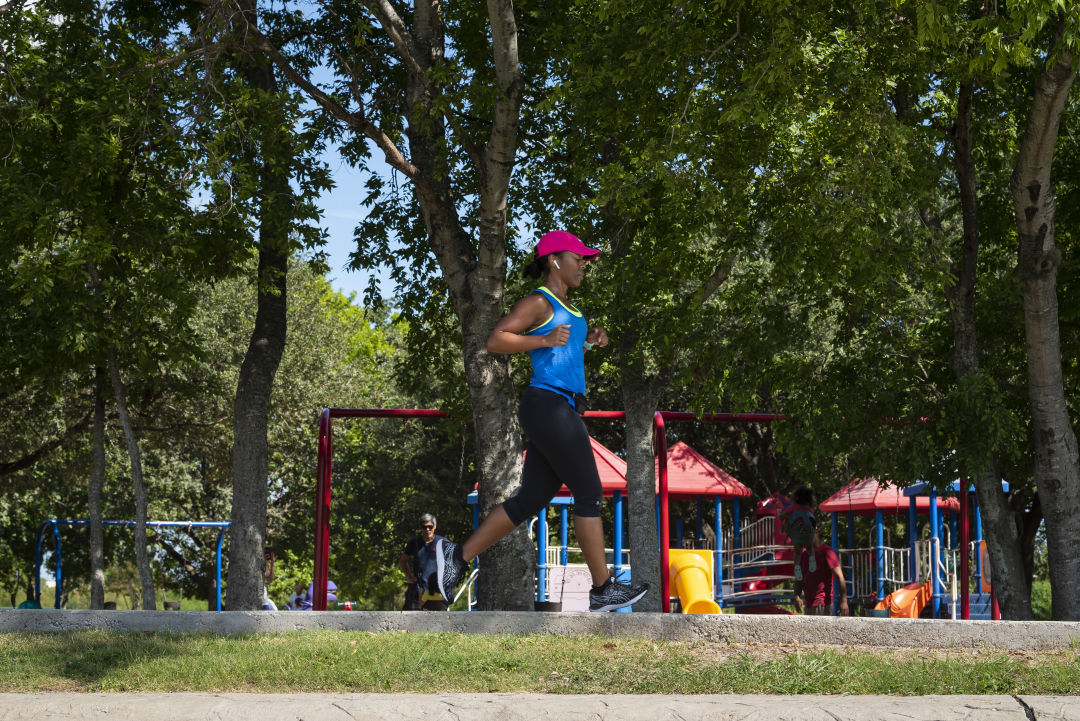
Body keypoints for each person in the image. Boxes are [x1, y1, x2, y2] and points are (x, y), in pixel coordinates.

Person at [434, 230, 649, 612]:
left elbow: (562, 351)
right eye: (577, 258)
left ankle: (457, 556)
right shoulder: (539, 301)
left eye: (586, 259)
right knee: (588, 491)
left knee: (532, 498)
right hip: (548, 405)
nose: (584, 264)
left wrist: (589, 340)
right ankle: (602, 589)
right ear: (554, 261)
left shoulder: (570, 307)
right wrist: (544, 341)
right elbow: (496, 339)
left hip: (557, 405)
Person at [792, 520, 849, 616]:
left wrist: (843, 601)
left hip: (822, 604)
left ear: (816, 533)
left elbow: (840, 577)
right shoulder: (804, 555)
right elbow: (799, 579)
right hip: (809, 605)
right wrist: (797, 597)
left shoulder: (827, 552)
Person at [400, 513, 451, 611]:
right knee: (409, 621)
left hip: (437, 590)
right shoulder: (414, 542)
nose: (427, 530)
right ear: (421, 528)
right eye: (424, 527)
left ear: (434, 527)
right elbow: (403, 560)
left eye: (430, 527)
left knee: (439, 622)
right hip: (418, 588)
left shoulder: (443, 542)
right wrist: (409, 577)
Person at [780, 487, 816, 583]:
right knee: (809, 547)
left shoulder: (793, 507)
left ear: (796, 498)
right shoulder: (810, 509)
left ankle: (797, 568)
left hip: (797, 534)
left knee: (798, 553)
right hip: (809, 533)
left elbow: (781, 517)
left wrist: (781, 514)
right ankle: (812, 559)